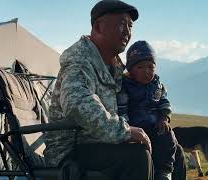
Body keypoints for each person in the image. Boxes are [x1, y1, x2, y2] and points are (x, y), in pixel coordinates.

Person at [43, 1, 154, 180]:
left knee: (170, 149)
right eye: (121, 24)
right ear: (98, 26)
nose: (127, 31)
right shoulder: (80, 60)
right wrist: (125, 132)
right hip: (70, 152)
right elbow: (77, 104)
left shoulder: (114, 67)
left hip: (100, 144)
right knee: (138, 156)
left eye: (130, 26)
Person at [117, 40, 185, 180]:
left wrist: (164, 118)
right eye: (140, 67)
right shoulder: (125, 86)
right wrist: (128, 130)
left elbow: (164, 102)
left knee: (169, 137)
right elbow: (122, 110)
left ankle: (165, 172)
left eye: (150, 67)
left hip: (155, 127)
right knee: (143, 153)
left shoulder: (157, 85)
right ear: (130, 69)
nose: (146, 71)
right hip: (136, 129)